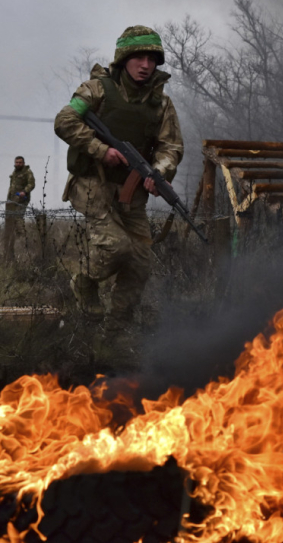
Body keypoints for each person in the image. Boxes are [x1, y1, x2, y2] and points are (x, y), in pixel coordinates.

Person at [54, 25, 184, 338]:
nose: (146, 65)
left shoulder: (161, 104)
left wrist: (159, 173)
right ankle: (83, 283)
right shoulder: (97, 89)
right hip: (93, 185)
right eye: (138, 57)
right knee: (115, 247)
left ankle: (114, 332)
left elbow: (171, 147)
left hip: (132, 191)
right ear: (123, 59)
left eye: (152, 59)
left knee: (139, 262)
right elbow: (65, 120)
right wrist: (101, 149)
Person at [3, 156, 35, 262]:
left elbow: (31, 184)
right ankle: (11, 239)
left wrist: (24, 192)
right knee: (10, 220)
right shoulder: (15, 173)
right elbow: (12, 187)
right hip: (12, 200)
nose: (18, 164)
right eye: (16, 162)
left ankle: (21, 236)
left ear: (23, 163)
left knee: (18, 217)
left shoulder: (27, 172)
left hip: (22, 200)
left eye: (20, 162)